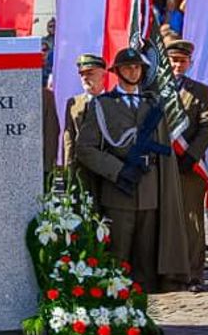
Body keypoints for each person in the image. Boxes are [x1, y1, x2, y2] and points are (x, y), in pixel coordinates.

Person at [74, 48, 188, 293]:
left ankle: (142, 316)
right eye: (127, 67)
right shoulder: (103, 105)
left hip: (150, 194)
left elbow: (165, 149)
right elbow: (85, 149)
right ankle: (117, 316)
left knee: (145, 264)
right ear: (116, 72)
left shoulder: (153, 104)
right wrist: (117, 170)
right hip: (118, 193)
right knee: (117, 260)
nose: (133, 71)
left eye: (137, 67)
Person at [164, 40, 208, 293]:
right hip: (163, 166)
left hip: (189, 167)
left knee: (192, 222)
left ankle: (195, 273)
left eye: (182, 61)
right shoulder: (157, 90)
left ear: (190, 62)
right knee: (167, 221)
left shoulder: (200, 91)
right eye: (173, 60)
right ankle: (171, 271)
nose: (177, 65)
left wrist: (191, 155)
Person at [62, 54, 106, 193]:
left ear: (103, 75)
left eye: (90, 73)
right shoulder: (73, 103)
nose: (85, 78)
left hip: (105, 169)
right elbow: (69, 137)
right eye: (82, 75)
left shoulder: (113, 102)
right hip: (80, 169)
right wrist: (68, 168)